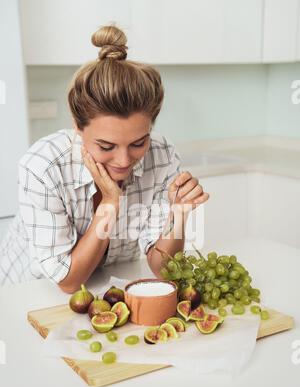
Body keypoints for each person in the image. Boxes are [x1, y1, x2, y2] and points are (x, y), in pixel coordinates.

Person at [0, 24, 209, 293]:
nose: (123, 160)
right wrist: (110, 203)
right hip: (25, 294)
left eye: (138, 142)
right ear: (78, 125)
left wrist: (178, 214)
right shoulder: (44, 166)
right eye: (106, 145)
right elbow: (69, 281)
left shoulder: (161, 155)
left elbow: (163, 268)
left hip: (99, 293)